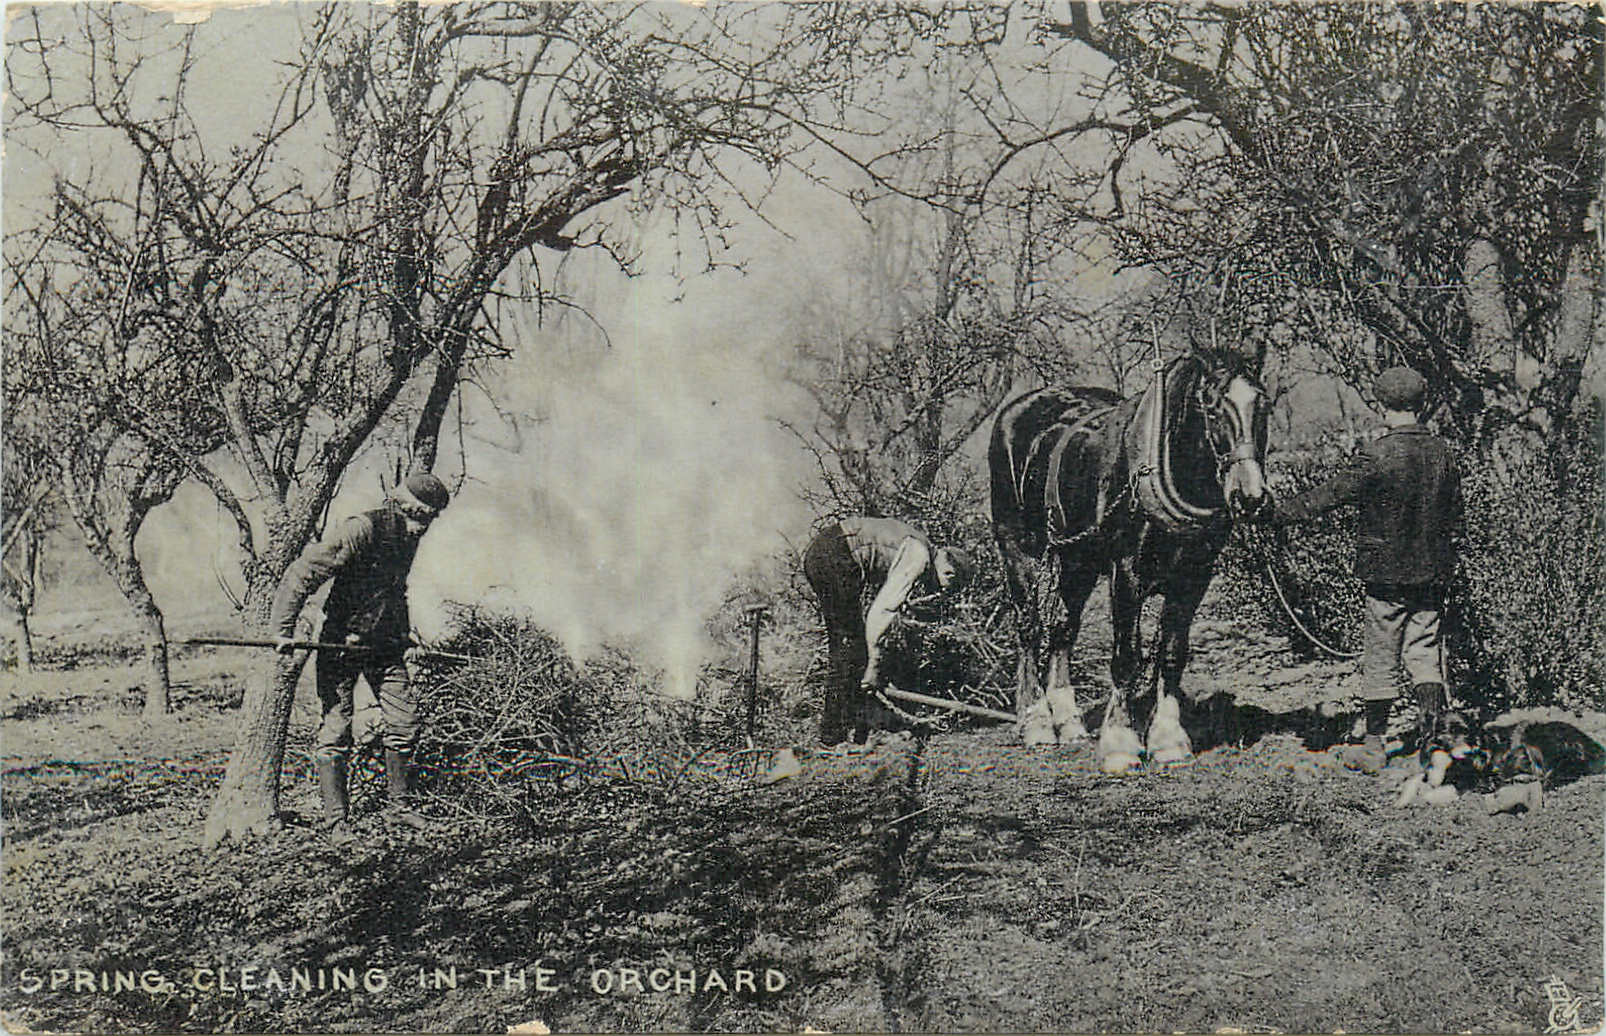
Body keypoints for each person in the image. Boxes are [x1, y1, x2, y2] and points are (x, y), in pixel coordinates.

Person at [1262, 366, 1462, 774]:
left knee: (1381, 658)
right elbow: (1456, 518)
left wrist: (1274, 515)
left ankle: (1374, 746)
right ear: (1422, 404)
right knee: (1425, 653)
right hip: (1431, 574)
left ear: (1381, 405)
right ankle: (1433, 743)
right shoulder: (1443, 452)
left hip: (1385, 577)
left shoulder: (1375, 454)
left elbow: (1328, 496)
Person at [270, 471, 450, 835]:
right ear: (406, 508)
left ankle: (398, 809)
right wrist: (282, 631)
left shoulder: (408, 538)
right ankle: (336, 820)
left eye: (430, 521)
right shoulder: (362, 528)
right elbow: (303, 573)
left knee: (405, 723)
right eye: (422, 518)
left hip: (383, 647)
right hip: (339, 643)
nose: (423, 528)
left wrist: (401, 633)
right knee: (337, 728)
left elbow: (393, 590)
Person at [802, 516, 974, 746]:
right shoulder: (918, 556)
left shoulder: (919, 545)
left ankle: (853, 730)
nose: (938, 590)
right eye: (946, 585)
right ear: (949, 572)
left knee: (847, 648)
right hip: (834, 554)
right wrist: (874, 665)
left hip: (826, 550)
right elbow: (883, 610)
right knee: (851, 648)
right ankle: (833, 737)